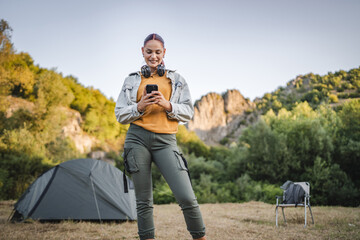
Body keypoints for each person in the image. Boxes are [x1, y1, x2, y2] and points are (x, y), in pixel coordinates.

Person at [115, 33, 206, 240]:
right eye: (149, 52)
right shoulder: (131, 80)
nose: (153, 56)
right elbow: (120, 114)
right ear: (142, 52)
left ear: (164, 53)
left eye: (157, 52)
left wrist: (167, 104)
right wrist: (139, 106)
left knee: (187, 197)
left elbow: (189, 113)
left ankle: (200, 237)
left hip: (166, 141)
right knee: (144, 201)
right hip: (137, 139)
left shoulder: (176, 79)